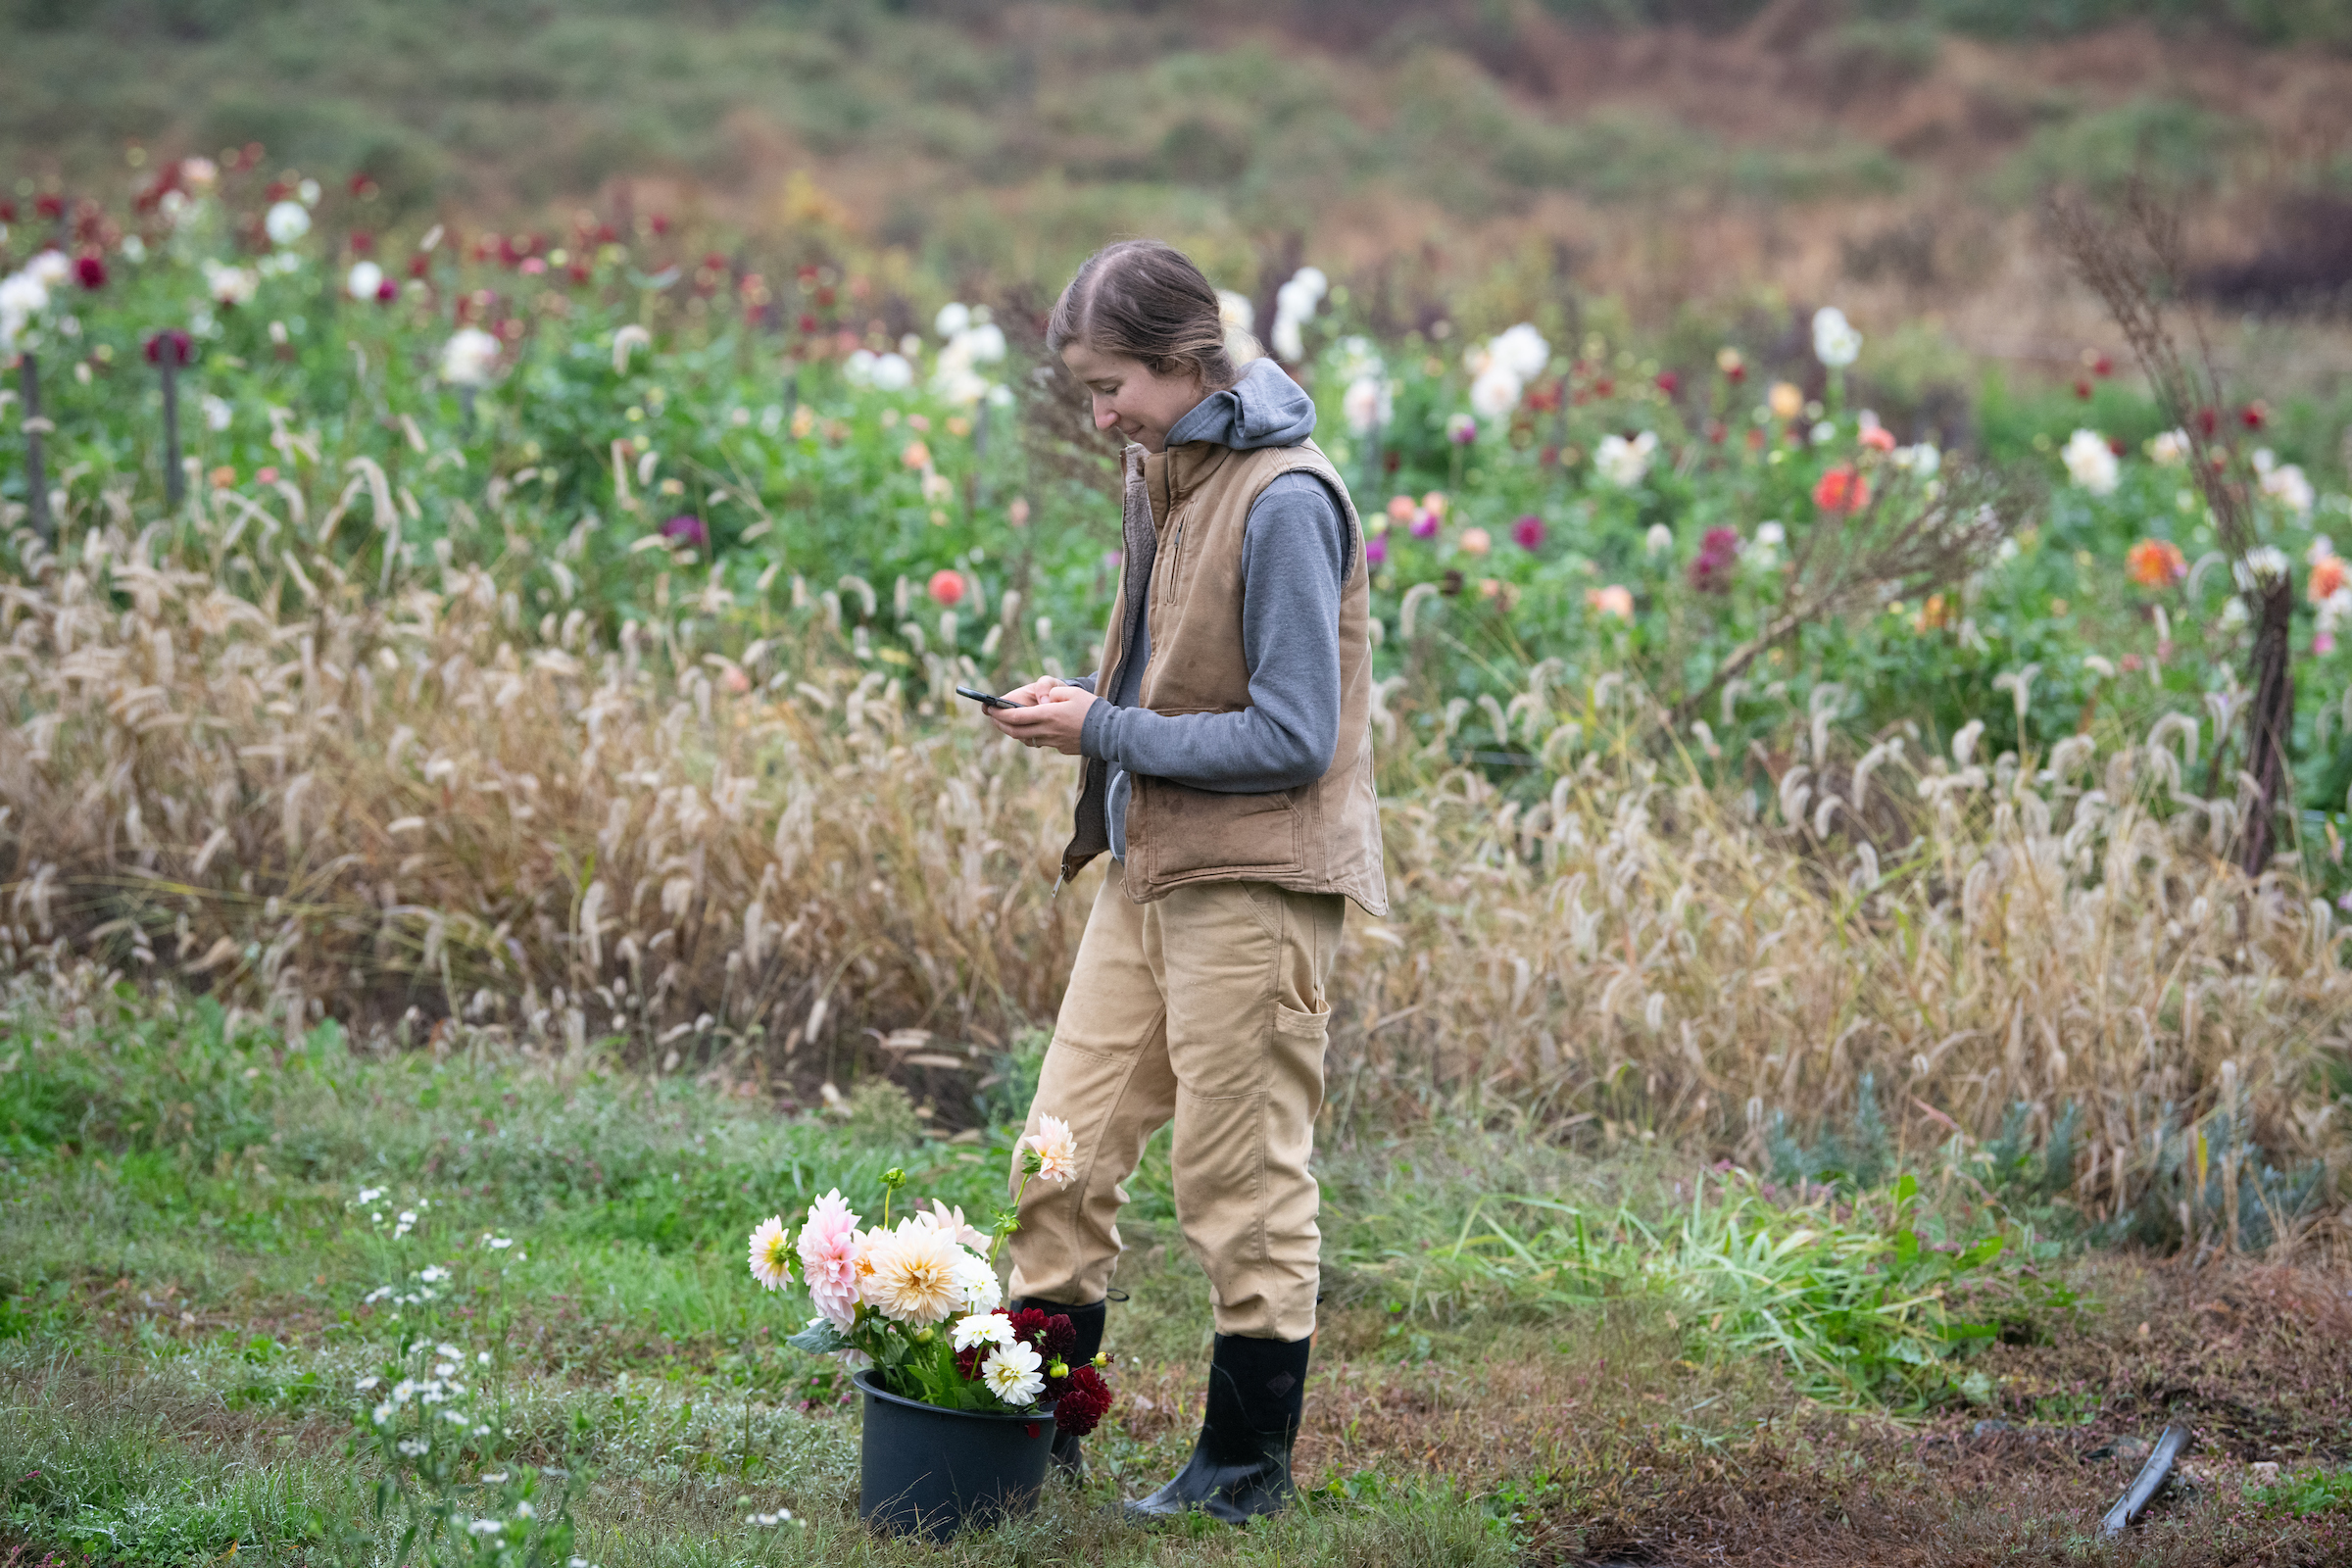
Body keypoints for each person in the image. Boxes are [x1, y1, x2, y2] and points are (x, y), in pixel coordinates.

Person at [982, 239, 1388, 1523]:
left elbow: (1291, 736)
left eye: (1112, 386)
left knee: (1239, 1181)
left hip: (1253, 890)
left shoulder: (1282, 498)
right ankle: (1033, 1440)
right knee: (1060, 1156)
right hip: (1146, 874)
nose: (1100, 414)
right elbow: (1179, 689)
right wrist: (1092, 705)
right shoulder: (1165, 470)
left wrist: (1100, 732)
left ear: (1180, 361)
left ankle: (1242, 1472)